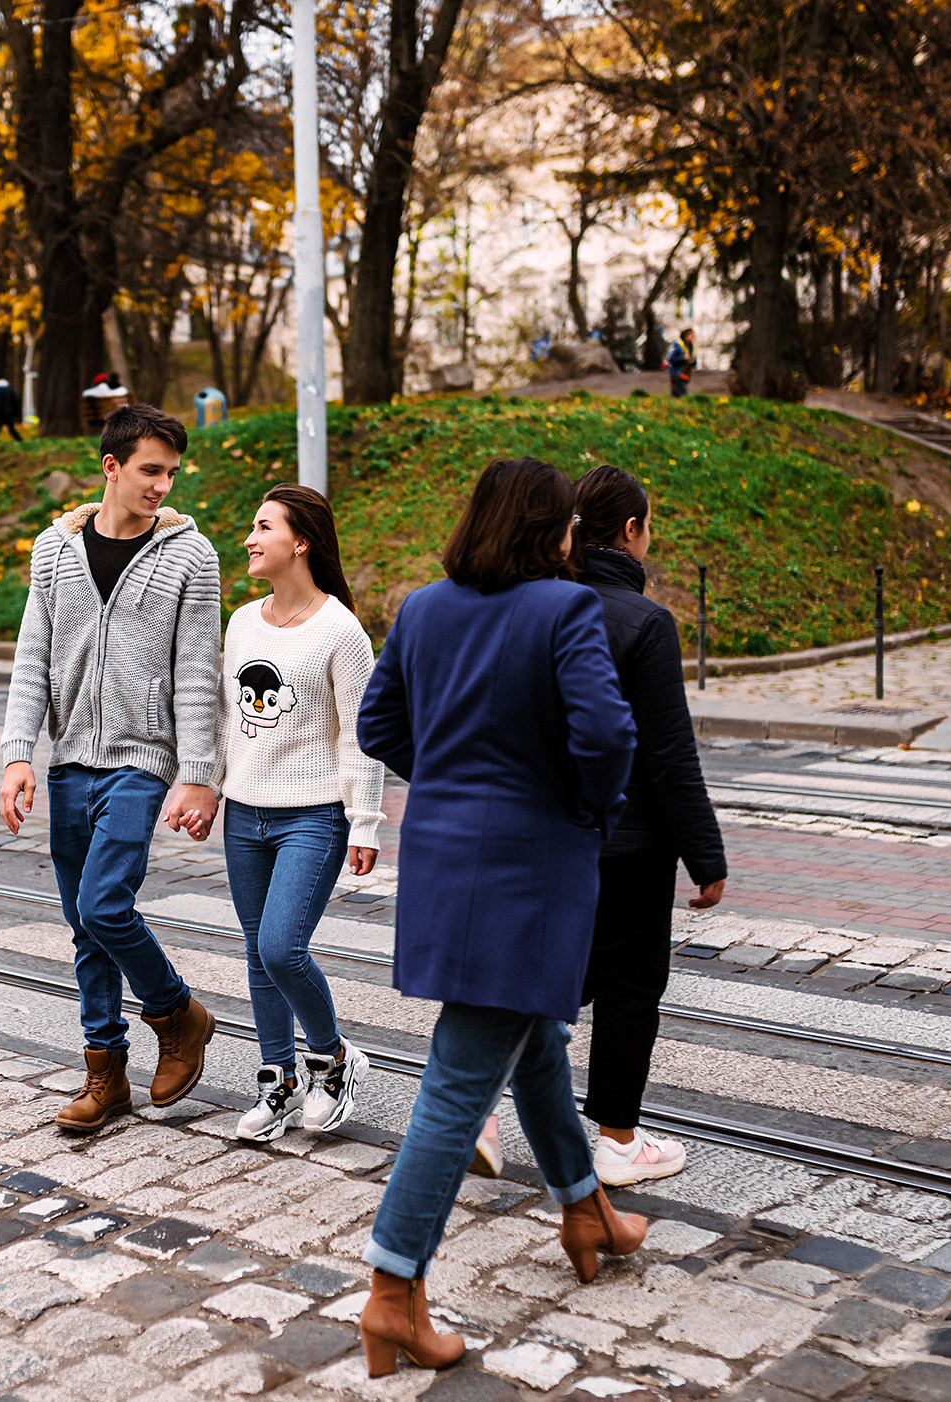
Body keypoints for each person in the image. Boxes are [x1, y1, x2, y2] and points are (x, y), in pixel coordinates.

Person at [354, 458, 645, 1377]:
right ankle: (393, 1291)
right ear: (554, 531)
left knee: (533, 1041)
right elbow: (606, 736)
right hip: (531, 868)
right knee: (459, 1080)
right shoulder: (565, 610)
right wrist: (586, 807)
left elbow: (378, 724)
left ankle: (585, 1209)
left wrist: (446, 779)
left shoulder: (424, 607)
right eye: (566, 526)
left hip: (443, 859)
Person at [0, 403, 223, 1132]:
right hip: (69, 763)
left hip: (141, 761)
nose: (162, 485)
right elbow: (32, 656)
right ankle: (105, 1076)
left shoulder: (193, 556)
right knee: (82, 925)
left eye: (170, 473)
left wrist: (198, 771)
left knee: (102, 905)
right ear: (112, 467)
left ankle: (178, 1014)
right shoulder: (52, 550)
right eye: (150, 471)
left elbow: (196, 672)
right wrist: (17, 756)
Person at [193, 483, 384, 1142]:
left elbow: (358, 734)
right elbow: (225, 719)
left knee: (281, 947)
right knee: (255, 952)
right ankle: (276, 1081)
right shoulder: (242, 621)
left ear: (300, 541)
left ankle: (332, 1058)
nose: (249, 538)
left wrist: (364, 820)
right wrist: (206, 787)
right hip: (244, 814)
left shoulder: (341, 631)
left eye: (262, 526)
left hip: (314, 816)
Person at [573, 464, 727, 1185]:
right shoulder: (644, 622)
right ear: (631, 531)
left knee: (551, 980)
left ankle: (475, 1108)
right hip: (632, 845)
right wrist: (707, 856)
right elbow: (669, 753)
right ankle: (618, 1140)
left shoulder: (543, 604)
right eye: (648, 525)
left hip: (556, 835)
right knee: (631, 986)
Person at [667, 330, 696, 398]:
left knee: (678, 396)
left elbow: (693, 361)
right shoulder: (677, 345)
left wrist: (691, 361)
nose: (693, 337)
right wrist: (683, 359)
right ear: (686, 336)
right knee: (681, 395)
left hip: (685, 373)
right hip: (676, 374)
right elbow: (671, 359)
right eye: (691, 336)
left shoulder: (690, 347)